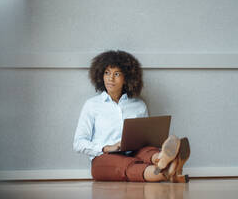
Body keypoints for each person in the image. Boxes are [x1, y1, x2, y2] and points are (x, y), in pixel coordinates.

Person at [73, 50, 190, 183]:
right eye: (107, 73)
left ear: (126, 78)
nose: (110, 78)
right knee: (127, 165)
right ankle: (171, 167)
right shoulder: (92, 105)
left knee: (148, 150)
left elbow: (147, 139)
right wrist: (106, 147)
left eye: (116, 74)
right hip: (103, 159)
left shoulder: (139, 105)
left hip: (135, 152)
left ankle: (163, 159)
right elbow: (78, 143)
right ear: (101, 75)